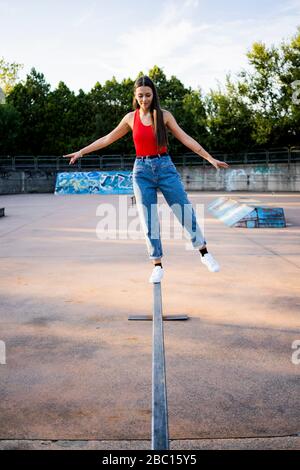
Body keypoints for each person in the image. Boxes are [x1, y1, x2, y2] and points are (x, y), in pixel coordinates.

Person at [63, 75, 229, 283]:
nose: (144, 99)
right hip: (141, 171)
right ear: (135, 96)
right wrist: (81, 151)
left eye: (148, 95)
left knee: (183, 208)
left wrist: (208, 157)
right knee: (148, 219)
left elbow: (185, 138)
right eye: (140, 96)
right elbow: (107, 138)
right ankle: (157, 265)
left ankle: (204, 253)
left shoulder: (164, 116)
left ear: (154, 95)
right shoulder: (130, 119)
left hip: (165, 167)